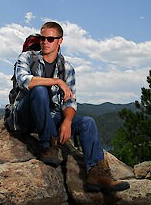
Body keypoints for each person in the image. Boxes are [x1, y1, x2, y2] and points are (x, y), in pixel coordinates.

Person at [13, 21, 130, 192]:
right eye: (43, 38)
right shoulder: (27, 57)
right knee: (39, 90)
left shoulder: (66, 68)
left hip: (50, 115)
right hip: (26, 115)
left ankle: (96, 175)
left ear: (60, 41)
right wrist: (57, 81)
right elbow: (24, 81)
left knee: (87, 122)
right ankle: (48, 145)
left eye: (50, 39)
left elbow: (69, 101)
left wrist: (67, 121)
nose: (45, 42)